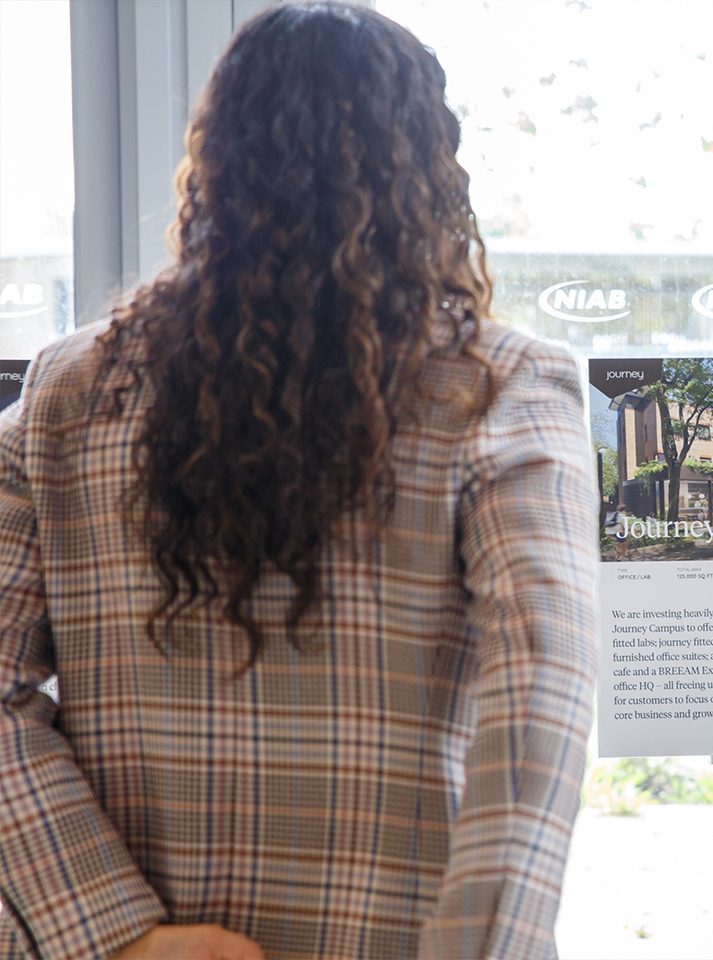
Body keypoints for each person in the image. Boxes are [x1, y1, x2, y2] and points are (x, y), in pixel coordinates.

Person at [0, 5, 596, 959]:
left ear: (215, 165)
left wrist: (118, 934)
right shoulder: (501, 388)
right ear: (431, 172)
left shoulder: (69, 393)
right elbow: (542, 697)